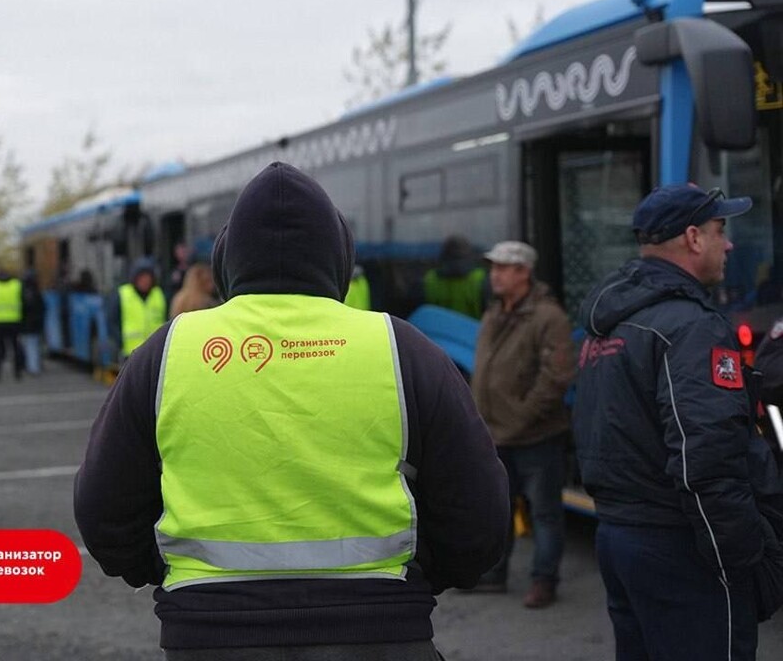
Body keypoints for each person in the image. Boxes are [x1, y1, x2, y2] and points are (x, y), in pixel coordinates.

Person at [75, 162, 510, 659]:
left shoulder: (167, 352)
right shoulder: (400, 348)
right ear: (340, 258)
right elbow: (480, 517)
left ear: (225, 260)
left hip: (210, 635)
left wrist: (173, 573)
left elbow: (103, 512)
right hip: (381, 633)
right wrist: (414, 576)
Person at [573, 184, 783, 659]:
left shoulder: (611, 320)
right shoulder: (691, 326)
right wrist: (746, 558)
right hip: (682, 547)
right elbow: (706, 456)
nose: (727, 244)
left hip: (619, 536)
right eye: (719, 230)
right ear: (693, 238)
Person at [469, 240, 575, 607]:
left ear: (524, 273)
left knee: (544, 513)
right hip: (496, 434)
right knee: (499, 509)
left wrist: (520, 415)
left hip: (536, 437)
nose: (494, 275)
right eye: (493, 267)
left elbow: (556, 377)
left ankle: (545, 581)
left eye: (503, 268)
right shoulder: (494, 312)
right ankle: (494, 574)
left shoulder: (549, 317)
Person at [108, 257, 167, 361]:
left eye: (148, 278)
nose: (145, 281)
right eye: (142, 278)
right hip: (130, 354)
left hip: (156, 353)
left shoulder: (159, 295)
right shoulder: (123, 294)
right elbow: (112, 321)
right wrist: (120, 342)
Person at [421, 236, 488, 319]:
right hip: (474, 331)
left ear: (442, 256)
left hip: (436, 331)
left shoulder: (430, 279)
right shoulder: (480, 278)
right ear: (470, 256)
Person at [0, 267, 24, 381]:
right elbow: (23, 301)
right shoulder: (16, 284)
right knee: (15, 347)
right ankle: (17, 372)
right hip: (14, 321)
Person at [19, 270, 46, 375]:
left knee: (29, 346)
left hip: (26, 325)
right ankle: (34, 366)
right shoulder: (37, 293)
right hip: (35, 324)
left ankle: (32, 367)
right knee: (34, 345)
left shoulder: (23, 293)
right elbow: (42, 308)